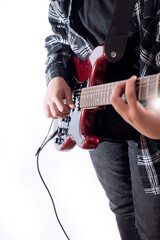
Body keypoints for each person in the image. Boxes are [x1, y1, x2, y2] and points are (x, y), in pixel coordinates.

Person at [44, 0, 160, 239]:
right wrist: (56, 76)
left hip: (150, 127)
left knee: (152, 229)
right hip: (96, 121)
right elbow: (58, 38)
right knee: (122, 208)